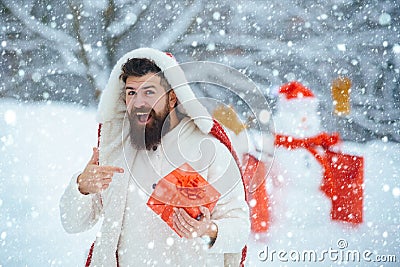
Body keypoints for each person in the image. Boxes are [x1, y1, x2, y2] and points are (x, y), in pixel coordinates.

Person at [60, 48, 250, 266]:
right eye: (131, 92)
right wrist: (82, 187)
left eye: (149, 92)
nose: (139, 102)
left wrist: (209, 230)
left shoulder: (209, 149)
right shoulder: (116, 151)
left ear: (172, 98)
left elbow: (240, 228)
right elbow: (72, 223)